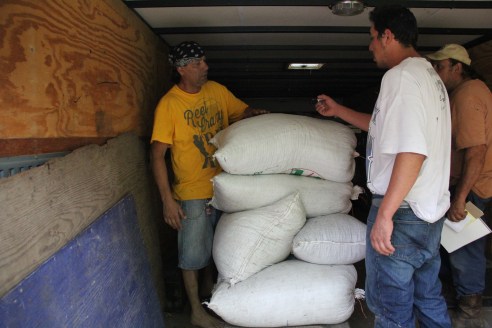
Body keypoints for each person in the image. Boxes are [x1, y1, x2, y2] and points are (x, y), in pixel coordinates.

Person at [315, 5, 452, 327]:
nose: (370, 45)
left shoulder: (400, 77)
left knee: (391, 308)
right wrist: (339, 111)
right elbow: (383, 127)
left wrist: (385, 215)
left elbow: (412, 152)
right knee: (427, 295)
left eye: (372, 37)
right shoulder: (428, 77)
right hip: (428, 211)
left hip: (402, 211)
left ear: (387, 35)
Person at [150, 41, 267, 328]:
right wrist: (167, 199)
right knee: (191, 255)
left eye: (204, 61)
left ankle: (209, 294)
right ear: (180, 70)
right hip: (192, 193)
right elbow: (156, 154)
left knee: (219, 248)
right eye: (197, 63)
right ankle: (196, 311)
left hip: (226, 186)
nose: (205, 67)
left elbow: (242, 112)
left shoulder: (216, 90)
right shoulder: (170, 104)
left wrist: (258, 114)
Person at [427, 43, 492, 327]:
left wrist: (460, 198)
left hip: (473, 187)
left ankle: (469, 310)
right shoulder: (467, 92)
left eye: (440, 67)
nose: (436, 73)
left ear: (457, 67)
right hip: (468, 184)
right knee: (455, 245)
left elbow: (476, 150)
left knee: (465, 247)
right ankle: (459, 298)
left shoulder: (468, 94)